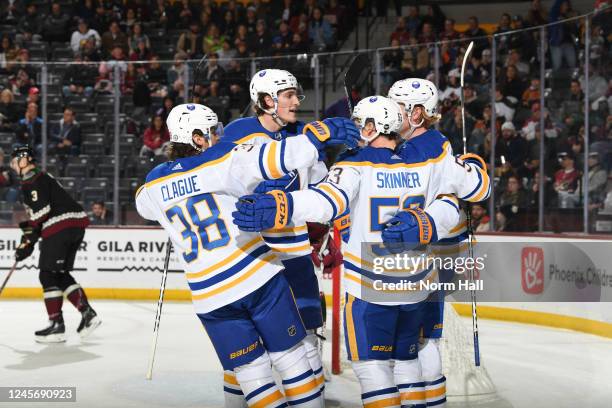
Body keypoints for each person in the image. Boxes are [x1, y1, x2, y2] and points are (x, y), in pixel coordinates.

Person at [233, 95, 490, 407]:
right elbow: (469, 193)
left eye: (360, 123)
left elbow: (325, 202)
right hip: (416, 288)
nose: (356, 128)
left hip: (371, 291)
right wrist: (470, 169)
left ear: (375, 126)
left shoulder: (353, 165)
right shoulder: (428, 160)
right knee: (408, 361)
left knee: (373, 370)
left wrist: (281, 205)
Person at [135, 103, 359, 407]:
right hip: (257, 278)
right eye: (213, 132)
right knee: (292, 363)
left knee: (253, 378)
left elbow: (143, 206)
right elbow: (275, 158)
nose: (219, 137)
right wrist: (318, 136)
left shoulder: (152, 184)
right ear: (198, 137)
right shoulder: (223, 158)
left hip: (210, 297)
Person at [221, 69, 332, 405]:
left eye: (296, 95)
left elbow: (322, 189)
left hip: (295, 254)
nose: (297, 101)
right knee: (244, 350)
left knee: (308, 339)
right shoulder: (235, 134)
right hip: (249, 257)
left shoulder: (304, 136)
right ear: (267, 101)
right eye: (289, 95)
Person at [388, 77, 486, 406]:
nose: (391, 112)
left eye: (397, 107)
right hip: (426, 254)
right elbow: (478, 188)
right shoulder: (436, 142)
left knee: (415, 340)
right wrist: (472, 167)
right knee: (421, 337)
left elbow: (477, 189)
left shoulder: (417, 150)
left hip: (423, 257)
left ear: (417, 114)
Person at [10, 145, 100, 343]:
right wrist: (28, 239)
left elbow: (41, 213)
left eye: (16, 159)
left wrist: (28, 241)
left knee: (47, 273)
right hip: (73, 226)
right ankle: (86, 315)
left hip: (60, 226)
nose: (13, 163)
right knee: (57, 274)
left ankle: (58, 325)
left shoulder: (31, 180)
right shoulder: (41, 177)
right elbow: (39, 217)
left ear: (25, 160)